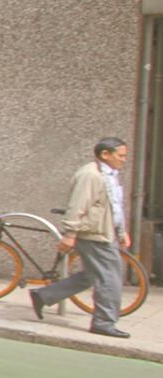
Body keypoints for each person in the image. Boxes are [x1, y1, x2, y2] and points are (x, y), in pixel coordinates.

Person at [30, 137, 132, 338]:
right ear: (105, 154)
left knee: (93, 275)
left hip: (105, 232)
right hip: (94, 233)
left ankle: (44, 295)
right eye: (121, 155)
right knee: (109, 278)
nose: (124, 159)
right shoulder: (90, 175)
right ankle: (103, 322)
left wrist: (121, 231)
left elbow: (114, 206)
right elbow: (78, 206)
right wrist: (70, 234)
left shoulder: (109, 174)